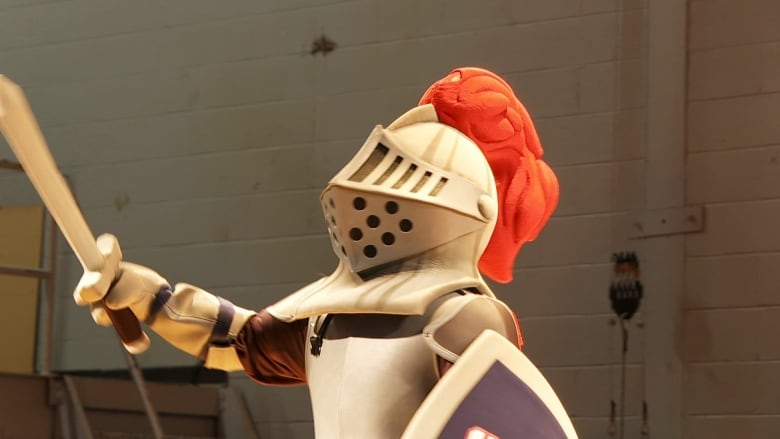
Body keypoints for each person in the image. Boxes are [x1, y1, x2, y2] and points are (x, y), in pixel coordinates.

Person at [74, 67, 560, 438]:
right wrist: (149, 297)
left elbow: (493, 420)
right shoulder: (325, 321)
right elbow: (238, 342)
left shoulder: (462, 318)